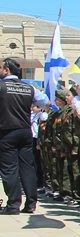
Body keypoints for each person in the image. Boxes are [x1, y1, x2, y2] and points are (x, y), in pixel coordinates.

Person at [0, 57, 46, 213]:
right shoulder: (29, 88)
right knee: (27, 167)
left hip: (6, 131)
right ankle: (31, 203)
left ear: (7, 70)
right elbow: (45, 101)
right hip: (25, 131)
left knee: (9, 169)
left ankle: (13, 205)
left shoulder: (2, 86)